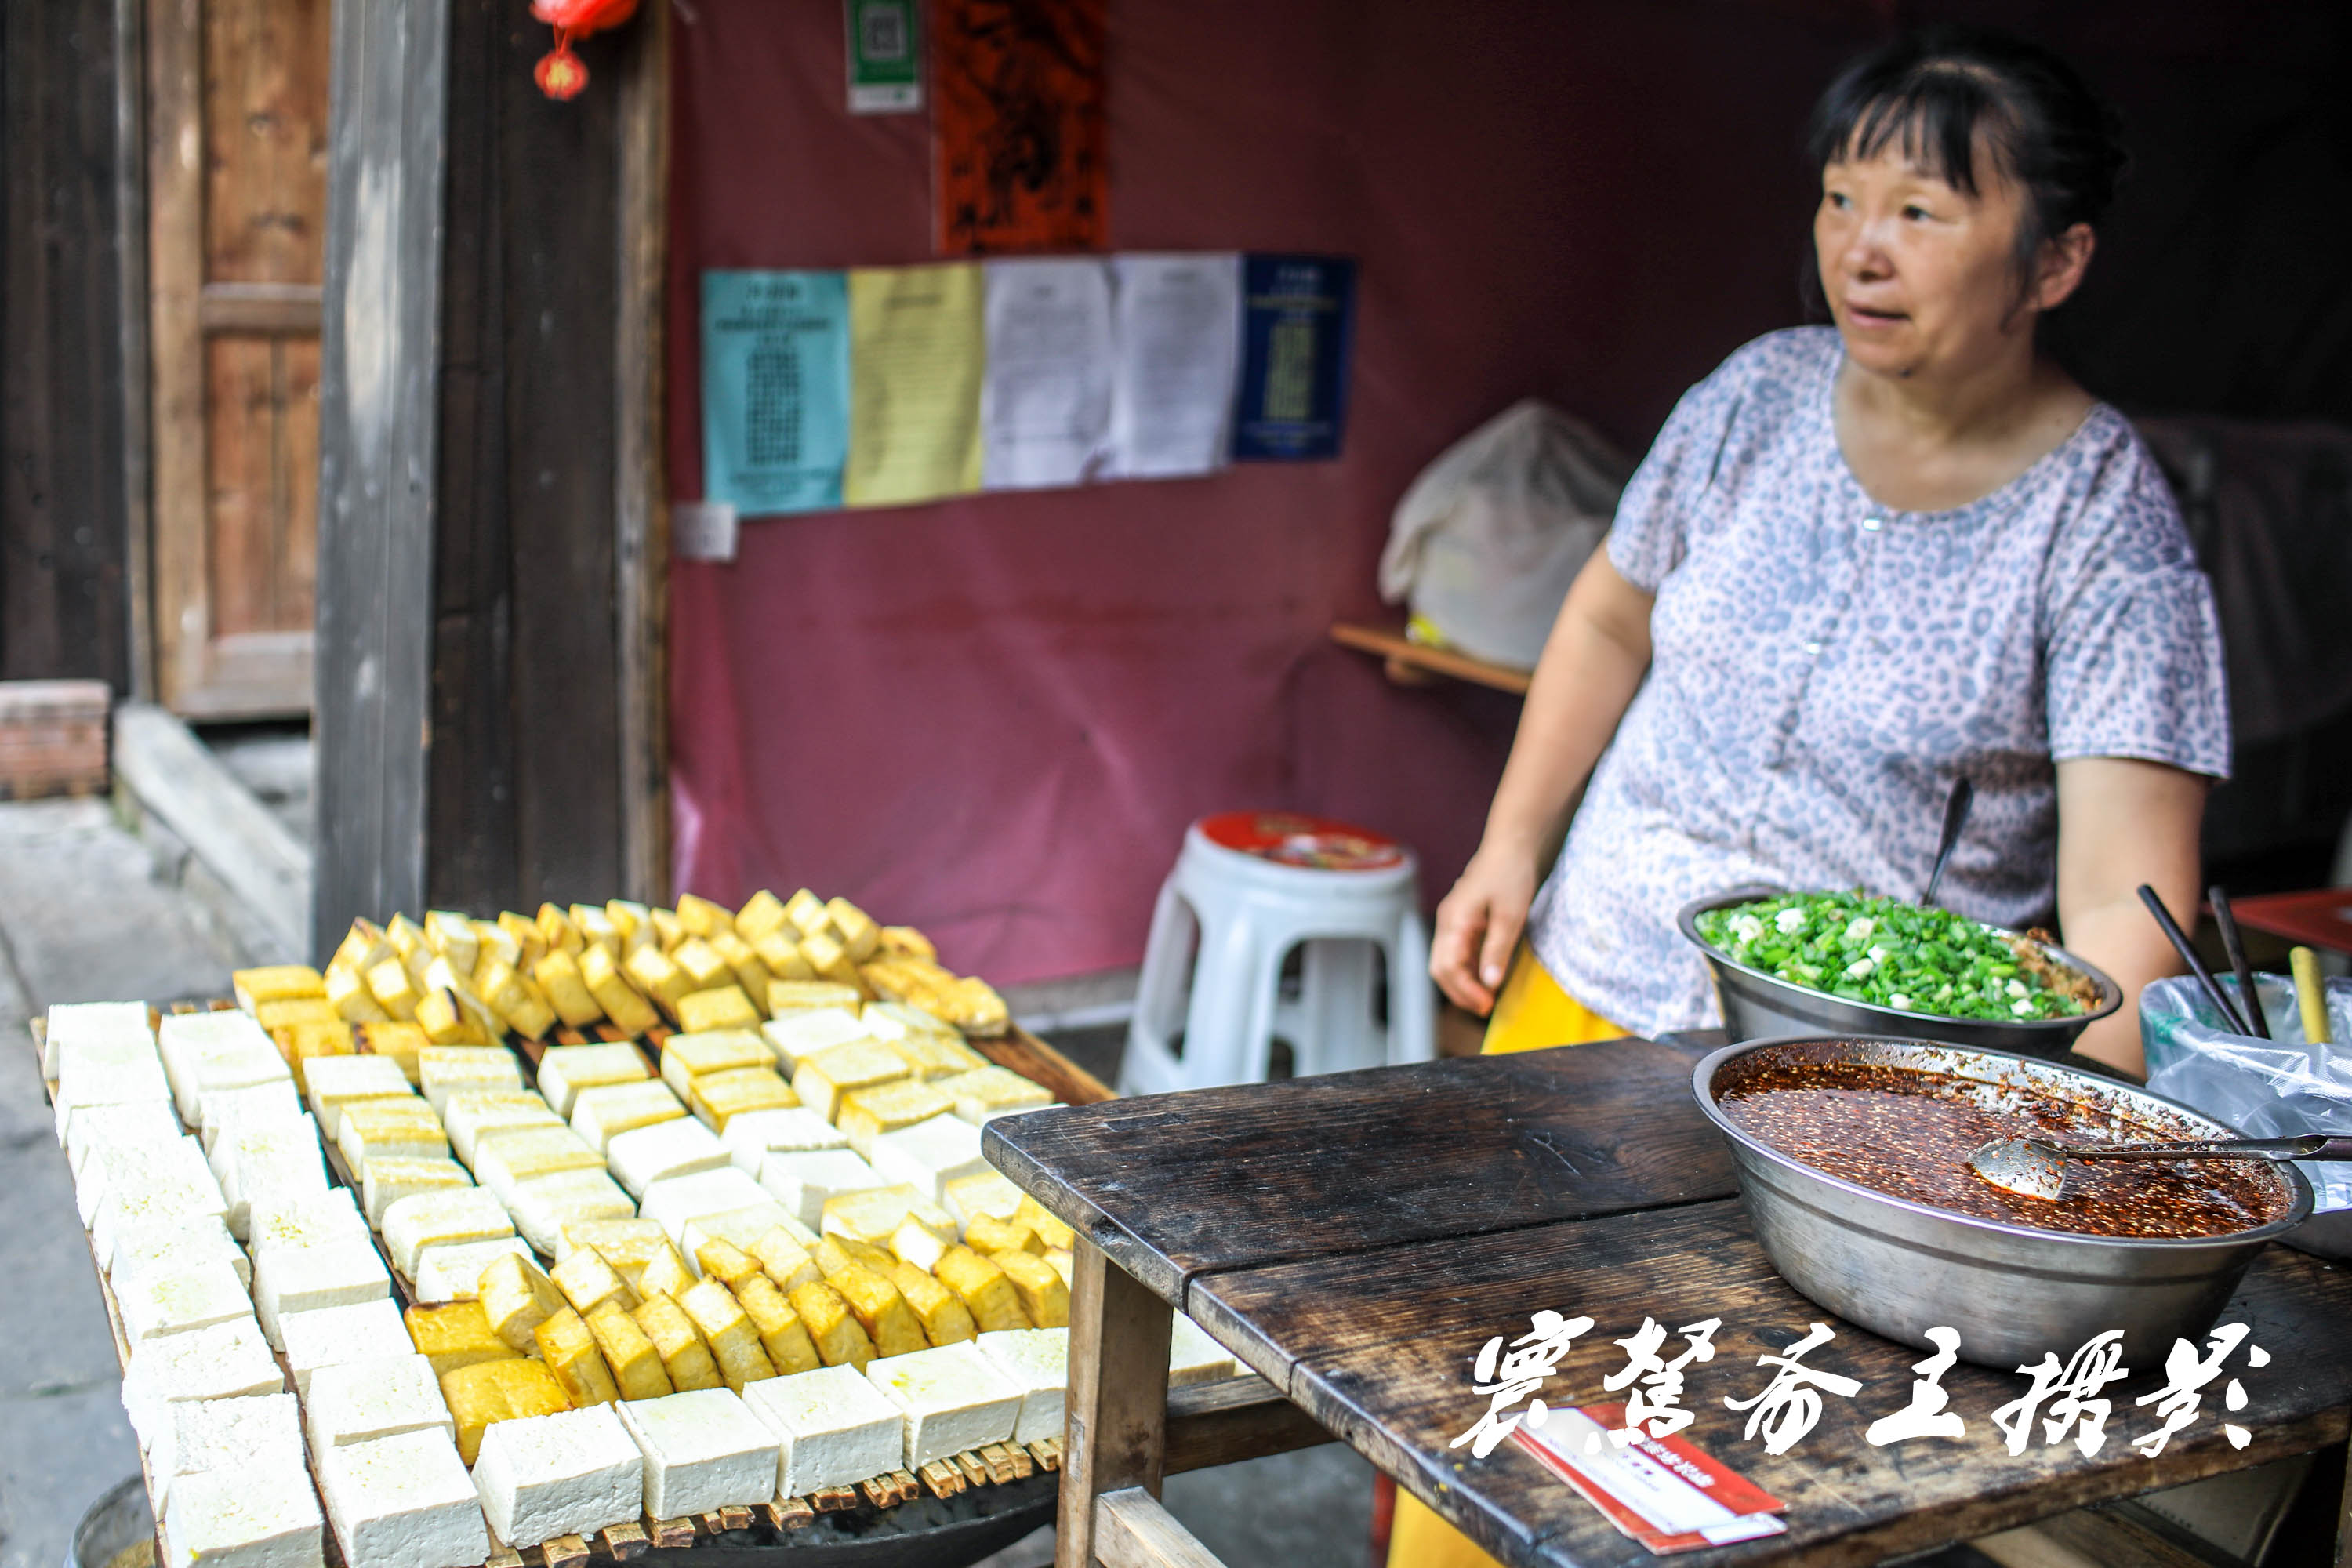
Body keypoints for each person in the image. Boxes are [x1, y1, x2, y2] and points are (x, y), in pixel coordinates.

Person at [1393, 24, 2228, 1568]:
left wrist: (2010, 1158)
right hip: (1584, 997)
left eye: (1923, 210)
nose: (1862, 249)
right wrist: (1511, 847)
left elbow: (2129, 906)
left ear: (2055, 262)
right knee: (1471, 1415)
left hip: (1841, 1120)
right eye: (1843, 200)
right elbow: (1606, 615)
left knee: (1700, 1489)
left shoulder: (2106, 533)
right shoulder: (1756, 400)